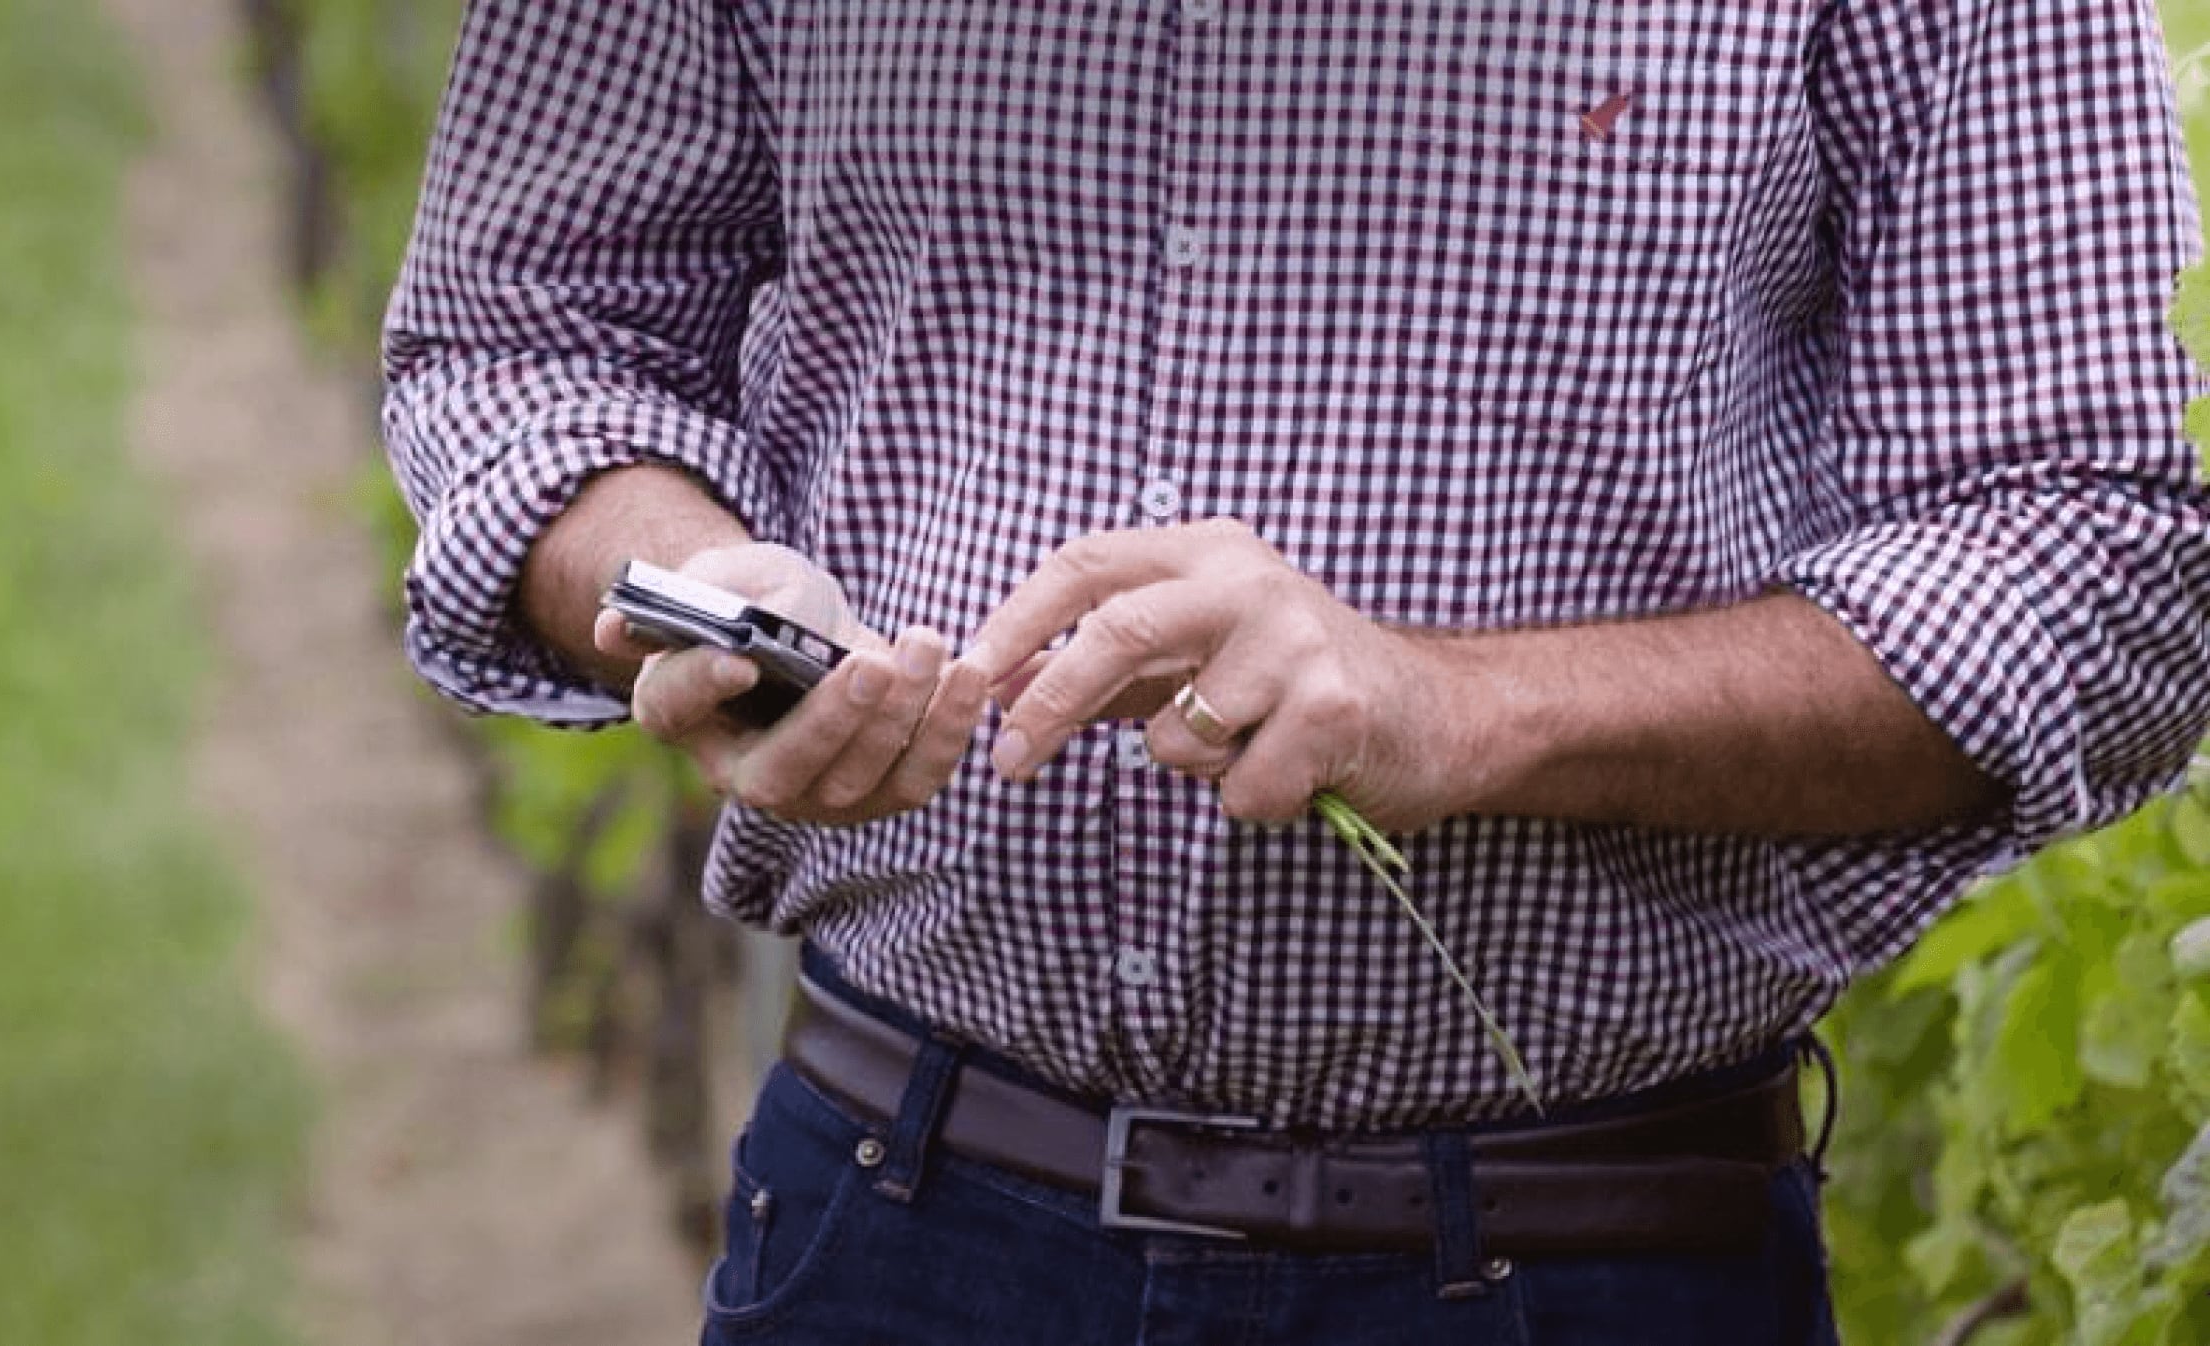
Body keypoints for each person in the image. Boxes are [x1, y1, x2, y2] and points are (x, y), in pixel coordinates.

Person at [380, 2, 2210, 1341]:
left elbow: (2098, 552)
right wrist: (694, 584)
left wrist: (1465, 708)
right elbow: (527, 331)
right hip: (898, 1219)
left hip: (1583, 1263)